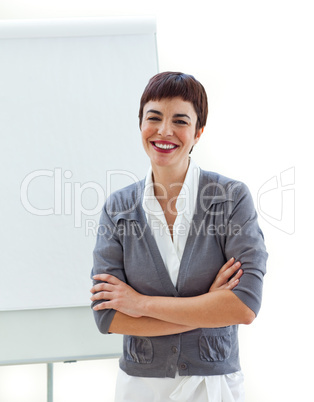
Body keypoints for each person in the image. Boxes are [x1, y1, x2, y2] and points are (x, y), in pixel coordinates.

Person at [90, 71, 268, 401]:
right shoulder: (118, 209)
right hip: (139, 389)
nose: (165, 131)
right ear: (140, 124)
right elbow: (109, 316)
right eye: (154, 117)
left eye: (180, 121)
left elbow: (244, 305)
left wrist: (139, 304)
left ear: (199, 132)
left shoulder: (230, 199)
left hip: (213, 387)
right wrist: (207, 308)